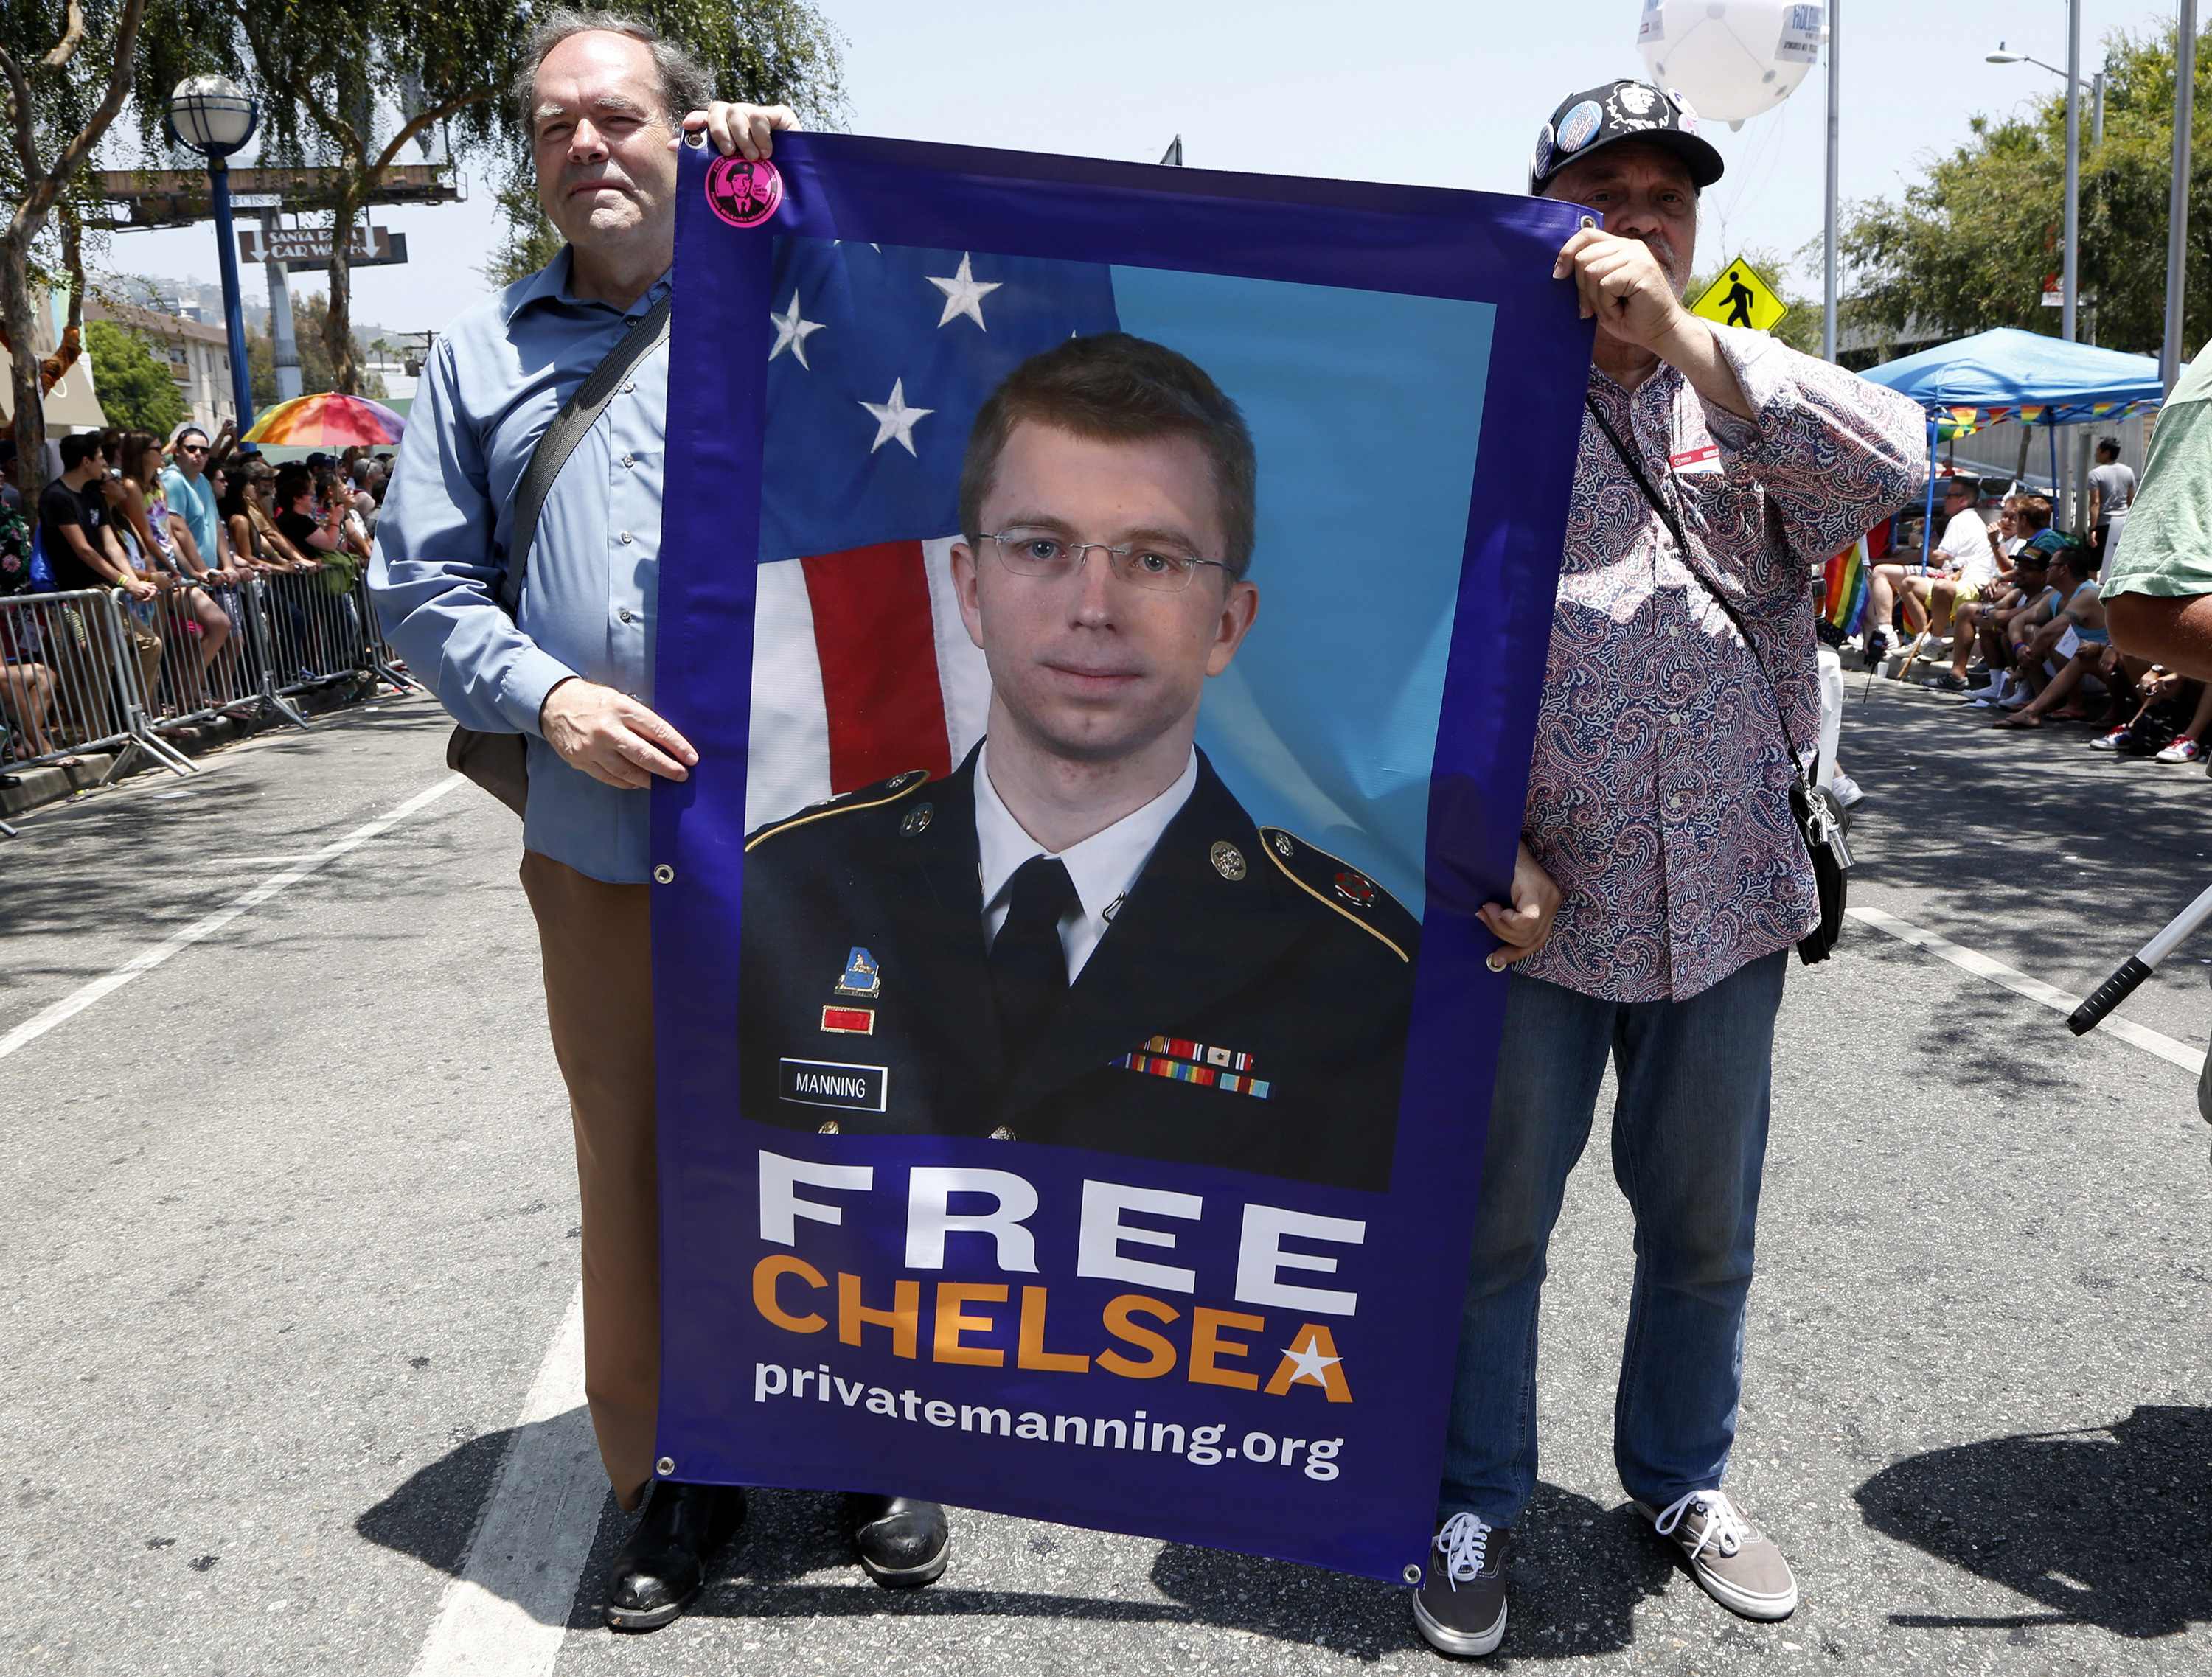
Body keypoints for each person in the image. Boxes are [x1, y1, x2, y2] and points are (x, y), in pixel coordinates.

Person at [369, 7, 948, 1631]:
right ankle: (672, 1475)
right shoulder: (481, 356)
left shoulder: (805, 296)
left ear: (685, 134)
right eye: (555, 126)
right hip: (605, 852)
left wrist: (809, 187)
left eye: (620, 116)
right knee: (637, 1161)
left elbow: (963, 386)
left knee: (844, 1136)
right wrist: (547, 697)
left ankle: (864, 1443)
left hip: (827, 837)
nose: (587, 147)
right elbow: (412, 580)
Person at [1410, 80, 1925, 1662]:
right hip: (1535, 916)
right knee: (1495, 1227)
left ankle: (1680, 1481)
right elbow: (1389, 639)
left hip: (1728, 911)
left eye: (1667, 198)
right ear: (1544, 212)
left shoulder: (1747, 395)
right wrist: (1486, 843)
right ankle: (1474, 1495)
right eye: (1601, 193)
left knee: (1703, 1227)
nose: (1637, 220)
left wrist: (1694, 343)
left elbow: (1889, 472)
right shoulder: (1477, 394)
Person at [740, 335, 1418, 1188]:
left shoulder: (1357, 971)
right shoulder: (783, 894)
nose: (1094, 607)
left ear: (1226, 624)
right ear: (972, 588)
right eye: (1040, 547)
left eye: (1154, 559)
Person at [1865, 476, 1992, 672]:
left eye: (1950, 495)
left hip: (1957, 577)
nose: (1945, 499)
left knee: (1881, 572)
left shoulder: (1961, 519)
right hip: (1952, 573)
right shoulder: (1966, 519)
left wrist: (1919, 542)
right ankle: (1920, 638)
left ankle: (1889, 631)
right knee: (1905, 581)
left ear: (1963, 500)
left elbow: (1940, 558)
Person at [2087, 434, 2135, 573]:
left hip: (2104, 525)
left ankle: (2096, 594)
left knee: (2093, 567)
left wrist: (2092, 530)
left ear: (2106, 453)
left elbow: (2095, 503)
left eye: (2098, 450)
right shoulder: (2128, 471)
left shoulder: (2095, 474)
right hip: (2122, 524)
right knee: (2118, 566)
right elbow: (2131, 501)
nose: (2095, 453)